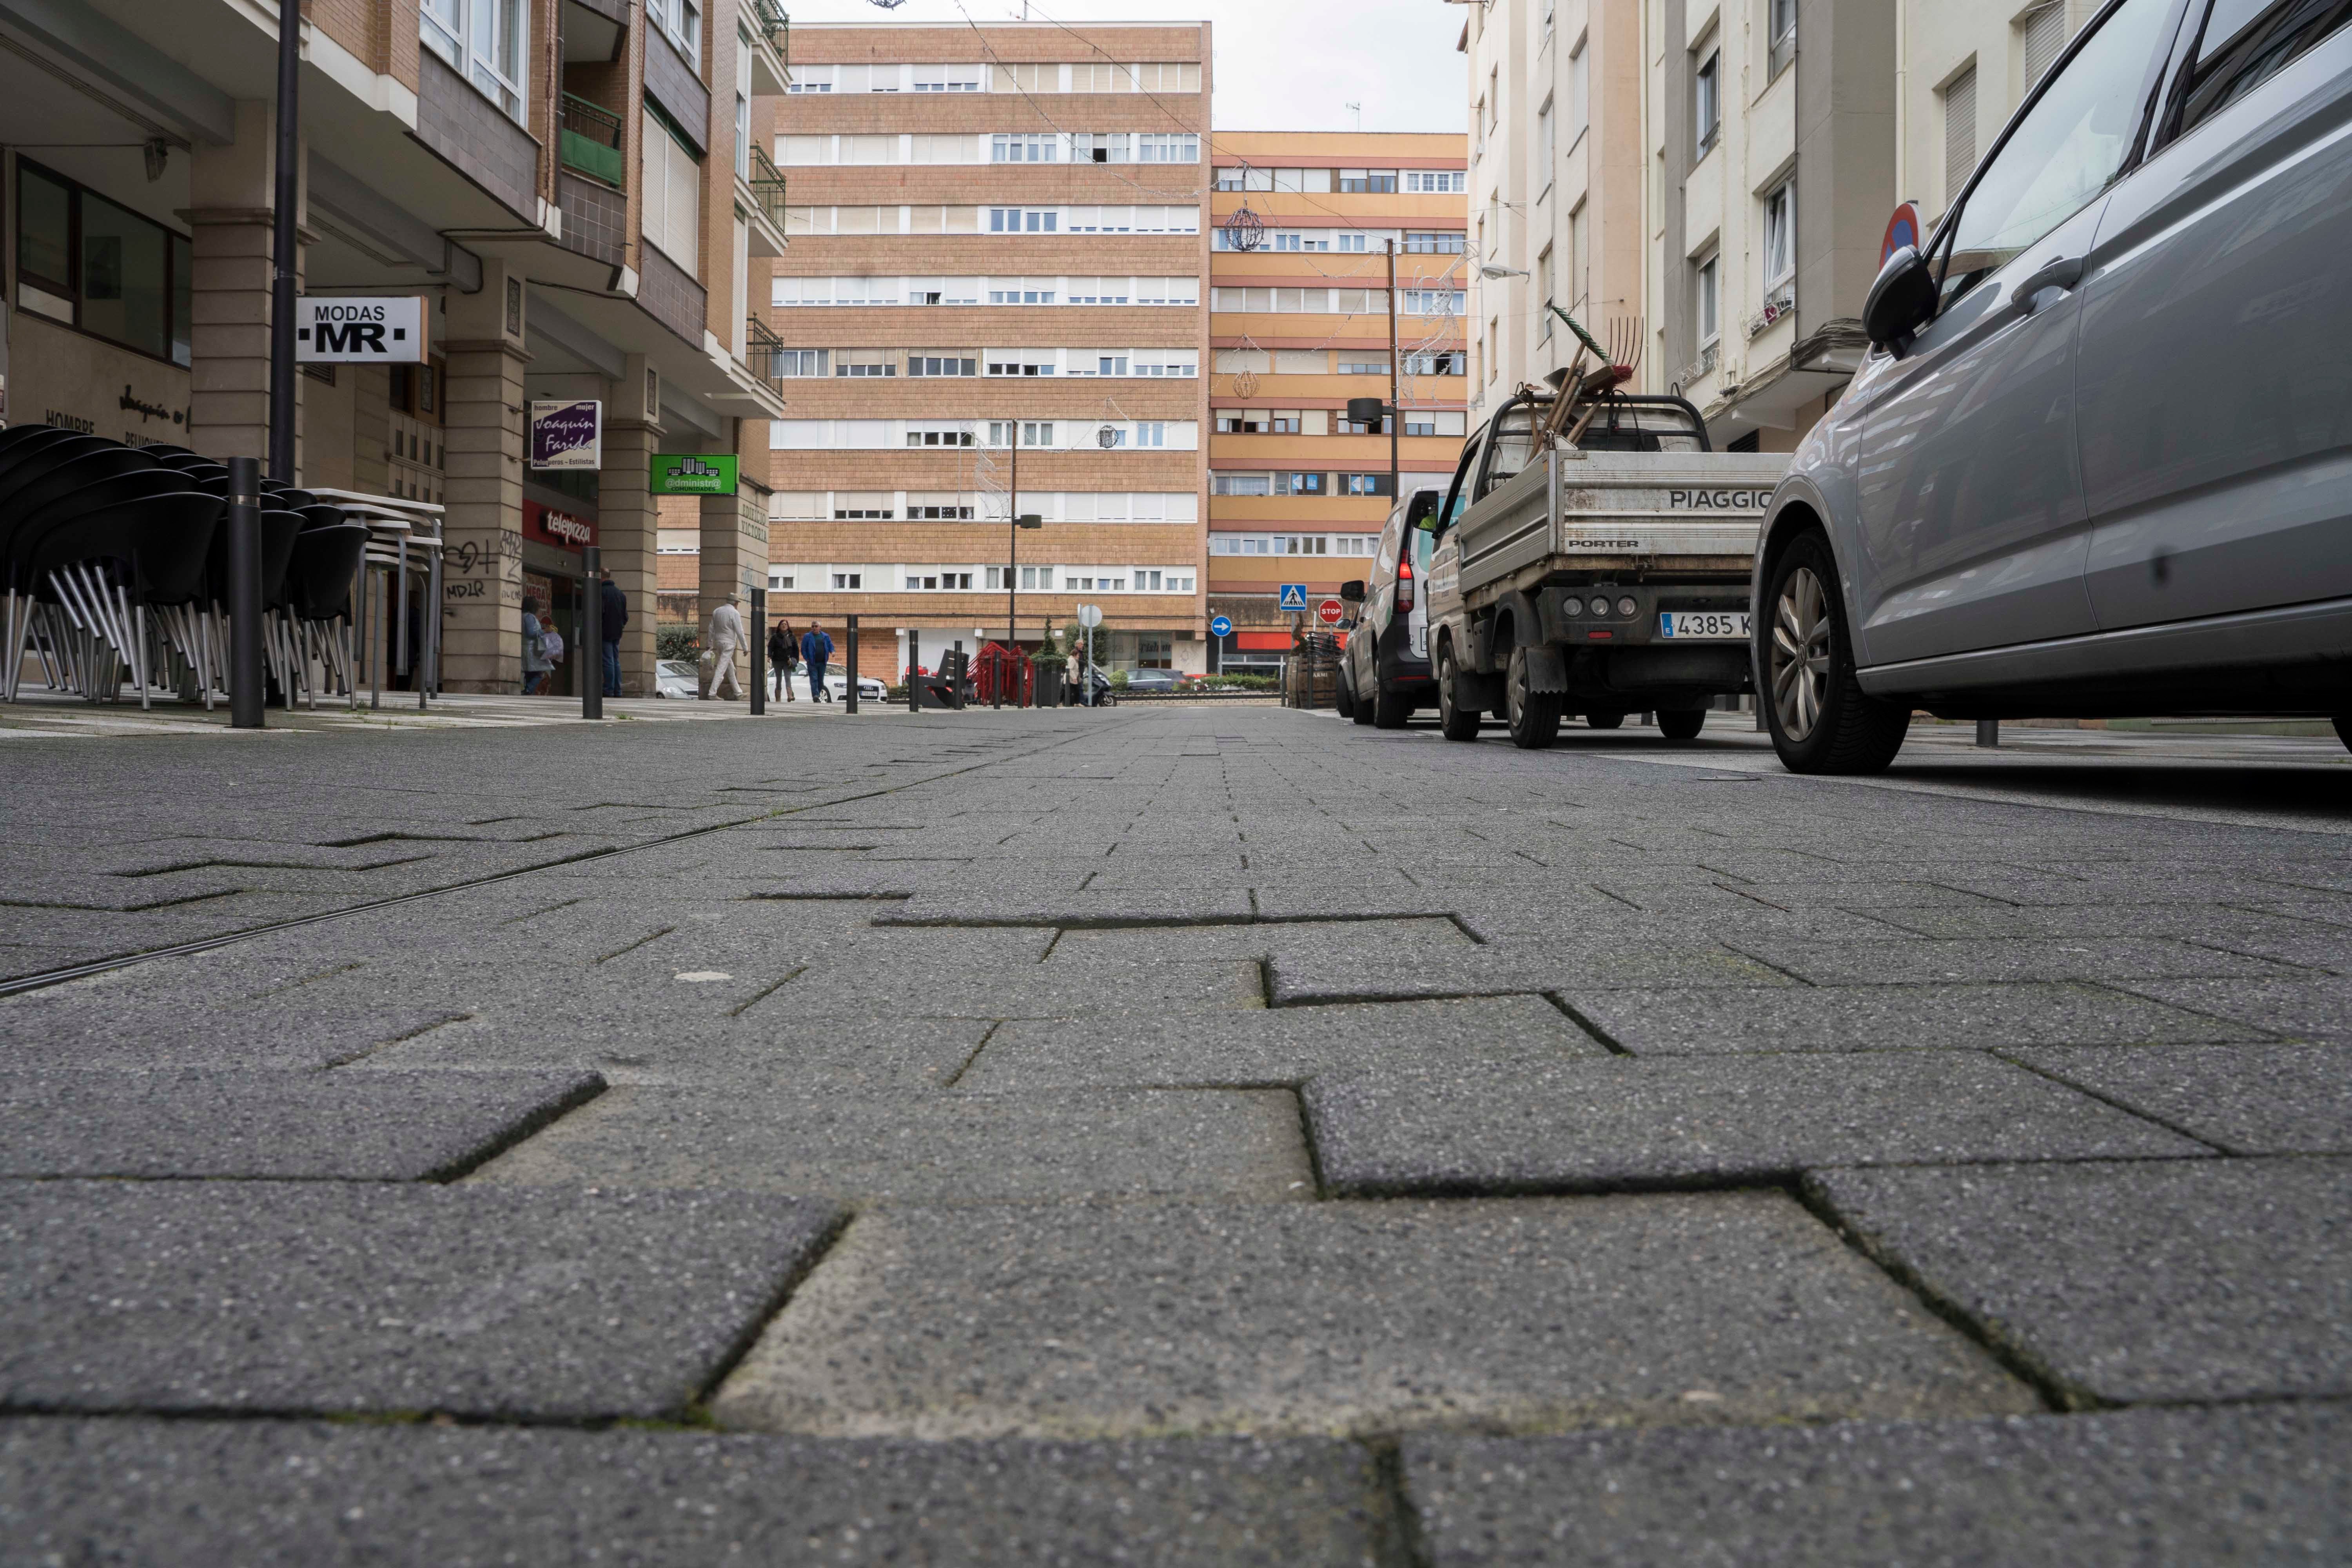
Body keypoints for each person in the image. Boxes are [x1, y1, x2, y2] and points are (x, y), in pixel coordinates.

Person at [708, 595, 746, 701]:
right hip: (729, 644)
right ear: (736, 603)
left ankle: (738, 693)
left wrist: (709, 644)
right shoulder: (735, 613)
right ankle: (712, 693)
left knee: (730, 669)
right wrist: (745, 647)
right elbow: (740, 631)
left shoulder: (717, 611)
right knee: (721, 669)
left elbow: (711, 628)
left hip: (718, 643)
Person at [599, 570, 626, 698]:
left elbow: (599, 613)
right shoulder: (620, 594)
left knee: (608, 660)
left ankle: (608, 690)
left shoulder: (601, 593)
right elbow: (625, 617)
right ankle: (618, 690)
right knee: (615, 660)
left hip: (605, 632)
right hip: (617, 632)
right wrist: (620, 626)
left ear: (600, 577)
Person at [519, 597, 551, 695]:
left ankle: (529, 692)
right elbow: (531, 633)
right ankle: (528, 690)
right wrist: (544, 631)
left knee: (530, 673)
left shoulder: (522, 616)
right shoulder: (529, 617)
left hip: (526, 648)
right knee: (540, 673)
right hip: (532, 650)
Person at [801, 622, 835, 702]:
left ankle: (818, 695)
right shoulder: (807, 637)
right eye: (813, 627)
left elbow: (830, 645)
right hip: (812, 663)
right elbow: (803, 649)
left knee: (821, 681)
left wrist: (833, 651)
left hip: (822, 663)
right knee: (814, 679)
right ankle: (815, 695)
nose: (814, 628)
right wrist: (807, 659)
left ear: (820, 627)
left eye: (816, 626)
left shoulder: (825, 636)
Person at [768, 618, 797, 702]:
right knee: (779, 679)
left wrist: (795, 660)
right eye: (782, 624)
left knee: (788, 678)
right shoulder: (775, 637)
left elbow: (796, 649)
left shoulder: (792, 637)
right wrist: (769, 656)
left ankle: (790, 696)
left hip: (788, 661)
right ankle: (778, 698)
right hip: (777, 661)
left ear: (788, 627)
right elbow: (770, 647)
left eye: (785, 624)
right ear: (779, 627)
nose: (784, 625)